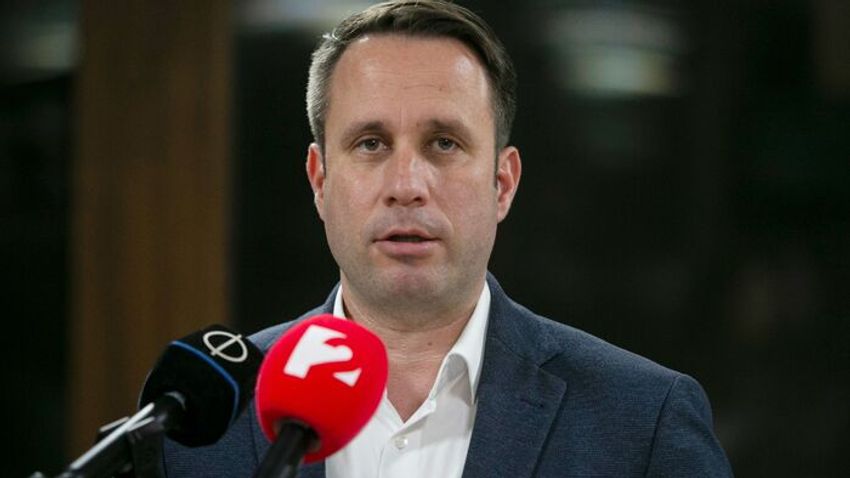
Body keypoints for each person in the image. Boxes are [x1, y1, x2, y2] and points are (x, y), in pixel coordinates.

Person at [164, 1, 733, 476]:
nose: (406, 186)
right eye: (370, 144)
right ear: (320, 180)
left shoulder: (642, 423)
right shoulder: (204, 415)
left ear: (502, 184)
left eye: (443, 143)